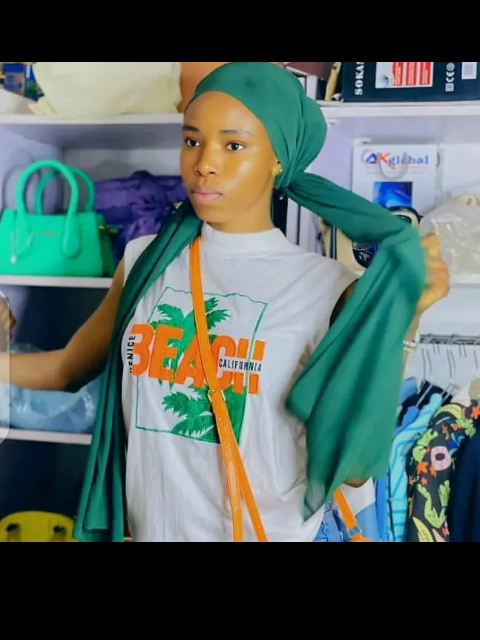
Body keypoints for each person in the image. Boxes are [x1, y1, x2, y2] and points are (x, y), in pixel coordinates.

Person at [0, 62, 449, 542]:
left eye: (233, 145)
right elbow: (66, 370)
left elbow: (354, 467)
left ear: (278, 159)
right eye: (192, 140)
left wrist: (406, 318)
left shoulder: (327, 287)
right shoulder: (144, 261)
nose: (204, 163)